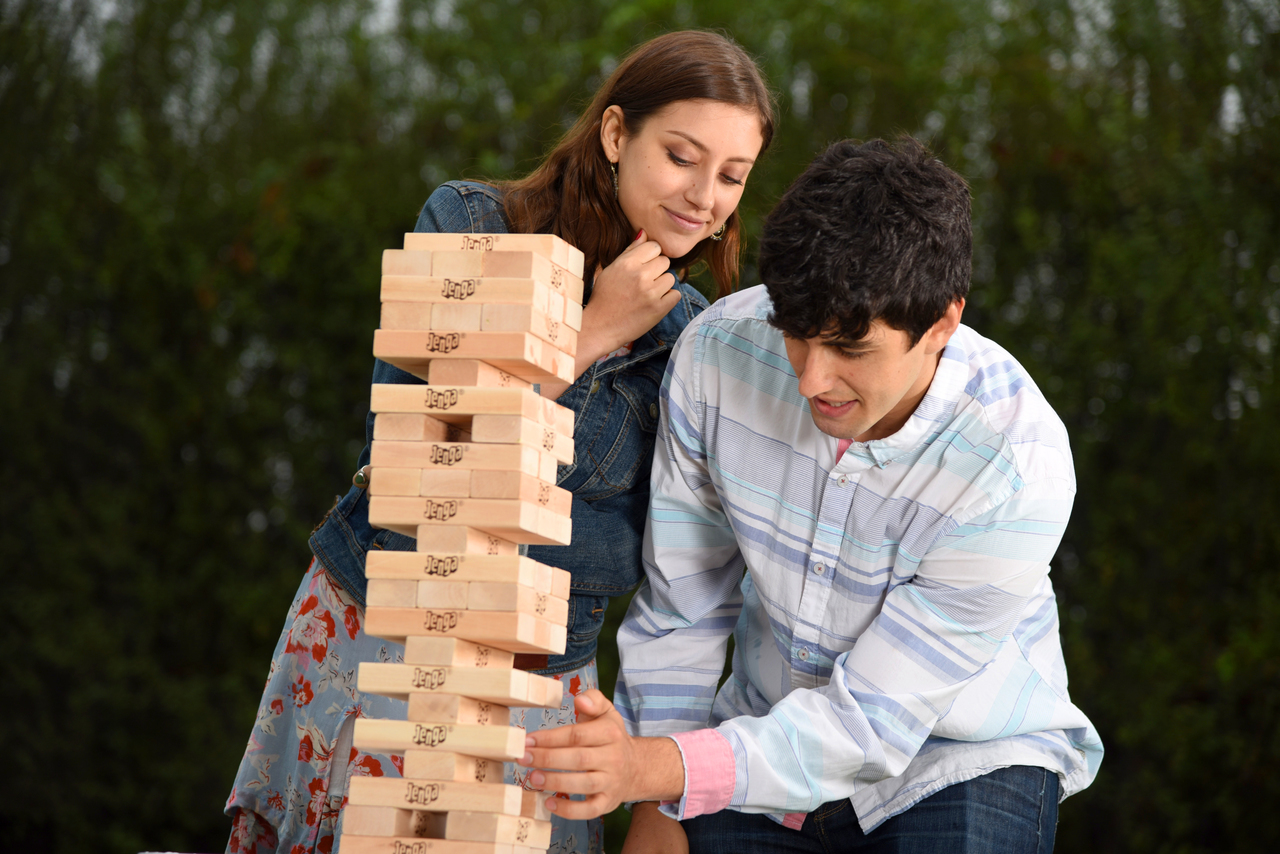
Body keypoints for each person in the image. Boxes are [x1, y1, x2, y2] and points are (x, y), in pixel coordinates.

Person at [224, 30, 776, 854]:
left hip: (537, 695)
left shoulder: (699, 342)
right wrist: (586, 337)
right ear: (617, 134)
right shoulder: (472, 223)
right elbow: (409, 454)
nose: (704, 196)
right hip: (378, 632)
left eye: (732, 177)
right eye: (682, 157)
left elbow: (669, 565)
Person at [518, 137, 1104, 854]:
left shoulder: (1016, 468)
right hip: (758, 735)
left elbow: (870, 727)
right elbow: (686, 608)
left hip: (959, 755)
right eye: (795, 335)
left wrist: (651, 769)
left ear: (943, 322)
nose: (809, 382)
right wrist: (656, 807)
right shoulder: (717, 357)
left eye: (850, 350)